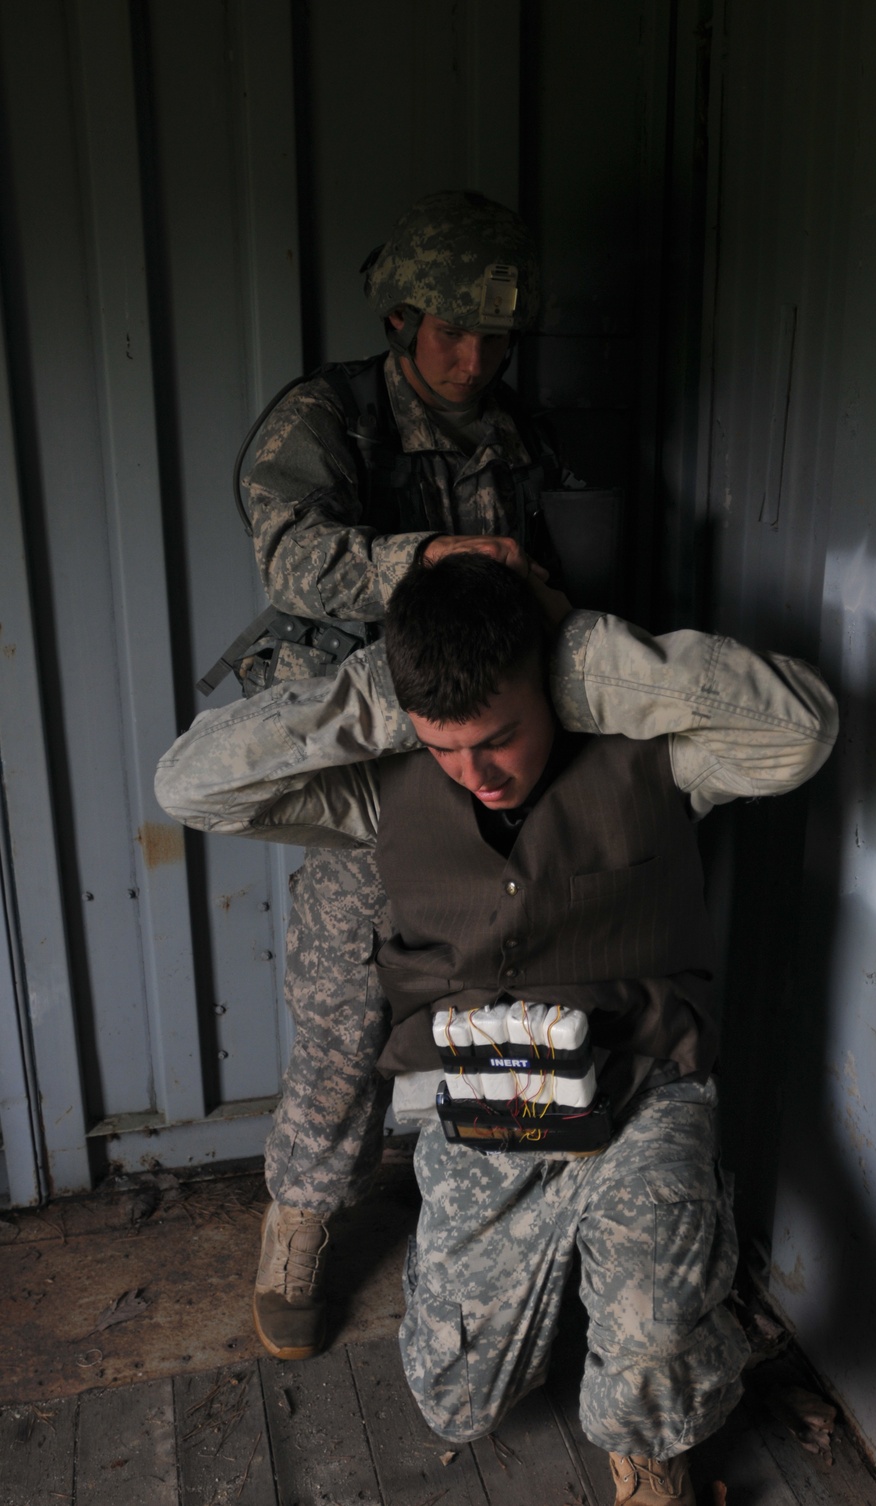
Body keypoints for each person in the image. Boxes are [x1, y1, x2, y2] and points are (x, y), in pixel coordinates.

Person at [156, 556, 838, 1504]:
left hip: (643, 1093)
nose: (473, 773)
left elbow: (802, 729)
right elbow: (190, 788)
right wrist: (385, 700)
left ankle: (654, 1416)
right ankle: (623, 1292)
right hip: (490, 1111)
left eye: (500, 736)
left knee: (650, 1335)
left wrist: (577, 657)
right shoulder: (388, 788)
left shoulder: (657, 760)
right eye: (443, 747)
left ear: (550, 687)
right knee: (453, 1401)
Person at [235, 189, 564, 1361]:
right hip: (365, 762)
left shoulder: (510, 435)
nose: (475, 360)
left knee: (504, 991)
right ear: (401, 317)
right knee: (340, 1010)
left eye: (497, 340)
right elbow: (292, 555)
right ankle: (300, 1230)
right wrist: (426, 557)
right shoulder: (329, 420)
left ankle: (512, 1239)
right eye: (453, 334)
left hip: (484, 761)